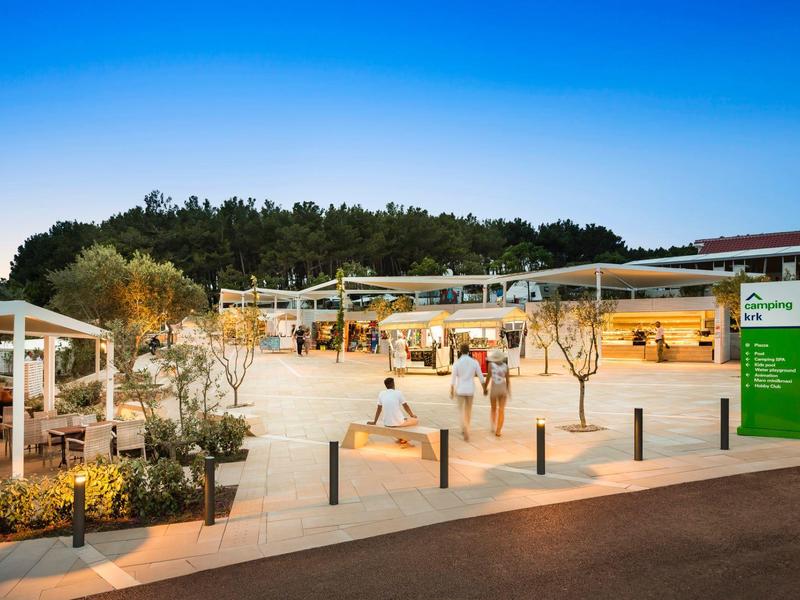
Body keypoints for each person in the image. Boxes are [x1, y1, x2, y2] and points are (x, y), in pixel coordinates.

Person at [368, 377, 418, 447]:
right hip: (398, 422)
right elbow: (405, 406)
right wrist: (412, 415)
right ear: (393, 384)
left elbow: (379, 409)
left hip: (386, 423)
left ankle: (400, 438)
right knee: (415, 421)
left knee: (403, 419)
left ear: (386, 385)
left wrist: (374, 422)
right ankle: (404, 440)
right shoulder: (398, 393)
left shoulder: (381, 393)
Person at [450, 343, 485, 441]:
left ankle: (463, 427)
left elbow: (453, 378)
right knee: (468, 411)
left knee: (461, 410)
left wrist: (452, 390)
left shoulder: (457, 363)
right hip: (470, 389)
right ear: (469, 351)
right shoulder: (474, 362)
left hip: (460, 389)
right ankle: (467, 427)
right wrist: (484, 388)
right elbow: (481, 376)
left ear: (460, 351)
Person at [484, 349, 511, 437]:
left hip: (494, 389)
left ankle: (493, 425)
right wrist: (508, 391)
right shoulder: (506, 366)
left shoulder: (491, 365)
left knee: (493, 408)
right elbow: (508, 380)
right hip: (503, 389)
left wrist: (485, 388)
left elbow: (488, 377)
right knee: (501, 410)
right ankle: (498, 430)